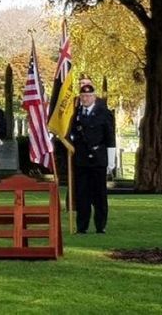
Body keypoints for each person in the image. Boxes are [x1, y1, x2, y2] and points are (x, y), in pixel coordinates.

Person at [69, 84, 116, 234]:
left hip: (98, 159)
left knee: (99, 195)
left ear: (94, 97)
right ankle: (82, 226)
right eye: (83, 96)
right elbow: (72, 134)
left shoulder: (104, 113)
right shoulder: (76, 114)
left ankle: (100, 226)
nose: (85, 99)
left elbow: (110, 138)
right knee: (82, 195)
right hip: (82, 159)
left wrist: (111, 161)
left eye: (88, 96)